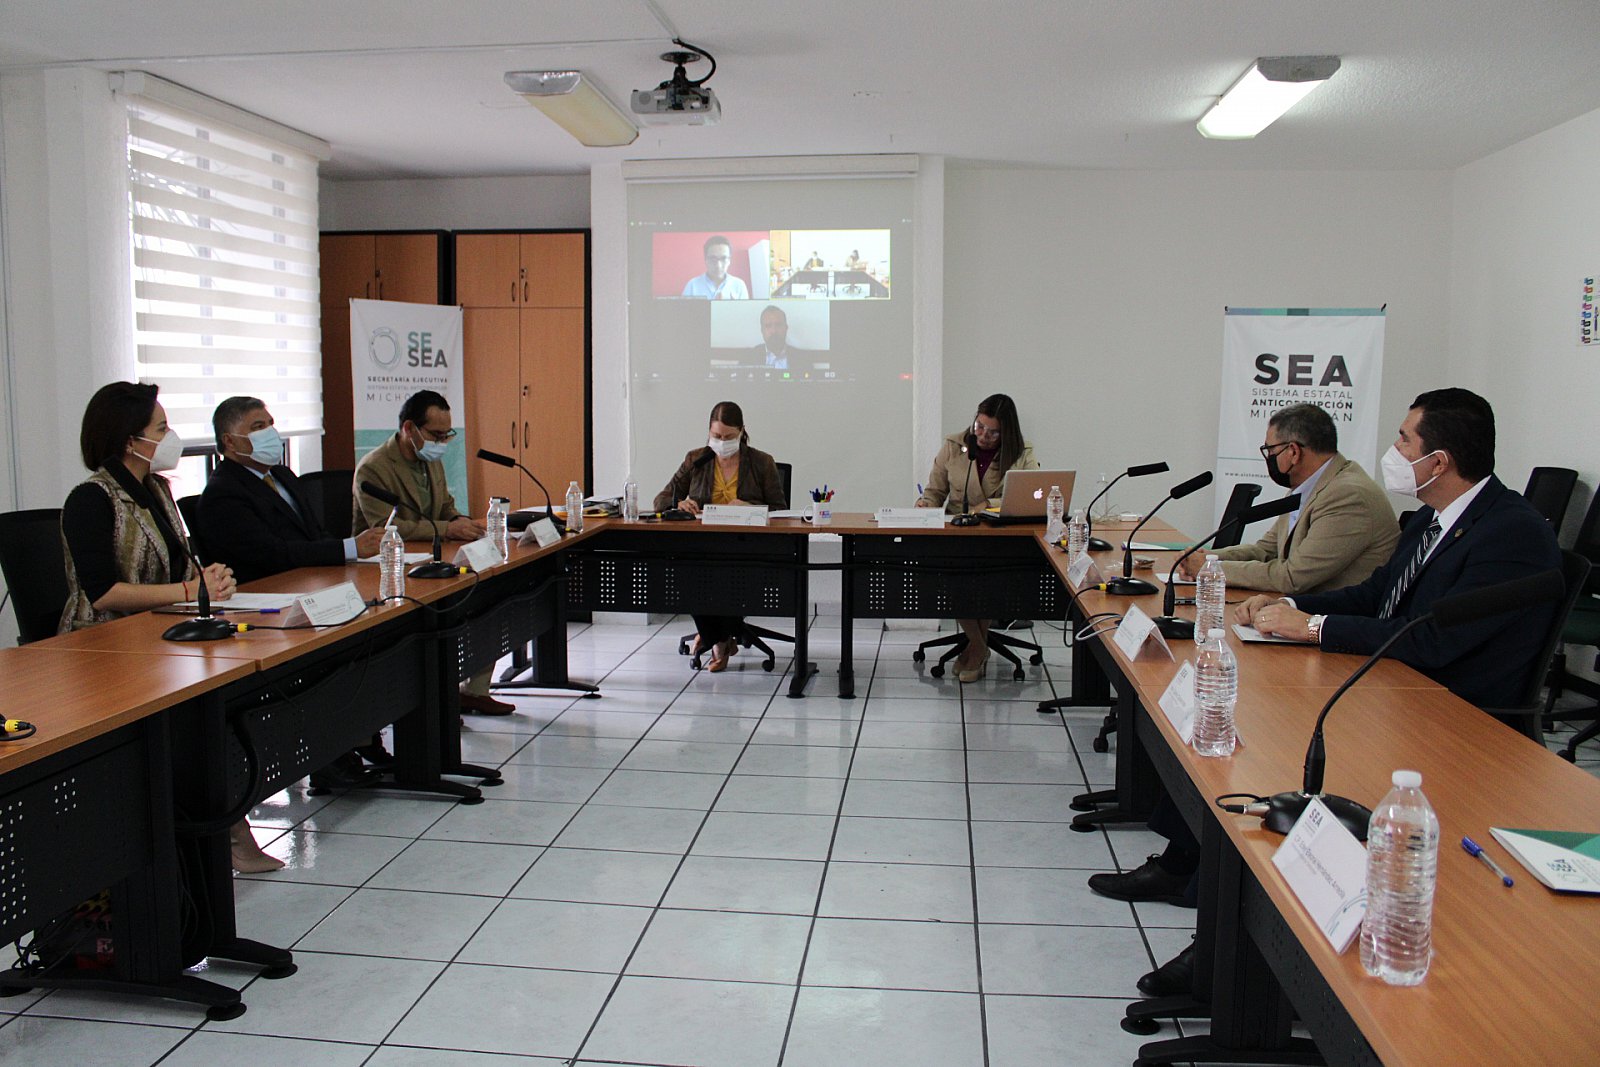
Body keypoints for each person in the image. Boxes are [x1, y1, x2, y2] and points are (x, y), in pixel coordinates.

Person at [1093, 387, 1564, 998]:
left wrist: (1313, 628)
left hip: (1452, 719)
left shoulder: (1510, 532)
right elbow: (1375, 597)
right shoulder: (1432, 518)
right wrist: (1289, 606)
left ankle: (1229, 959)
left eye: (1404, 439)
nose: (1393, 450)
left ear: (1440, 461)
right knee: (1252, 738)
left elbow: (1432, 641)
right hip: (1394, 687)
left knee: (1281, 755)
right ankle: (1187, 867)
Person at [58, 383, 278, 874]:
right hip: (104, 651)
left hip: (160, 637)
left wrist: (208, 581)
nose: (170, 436)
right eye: (161, 429)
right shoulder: (91, 498)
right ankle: (222, 834)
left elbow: (179, 568)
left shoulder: (157, 490)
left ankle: (222, 827)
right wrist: (187, 590)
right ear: (129, 439)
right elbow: (103, 593)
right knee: (195, 722)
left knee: (219, 707)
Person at [198, 396, 387, 791]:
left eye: (270, 422)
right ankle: (329, 756)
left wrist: (348, 555)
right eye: (257, 427)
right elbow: (271, 555)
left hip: (308, 590)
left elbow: (313, 536)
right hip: (265, 609)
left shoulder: (281, 475)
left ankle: (361, 737)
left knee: (373, 635)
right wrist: (349, 548)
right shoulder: (223, 493)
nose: (270, 432)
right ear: (229, 442)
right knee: (332, 658)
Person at [352, 390, 511, 716]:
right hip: (386, 570)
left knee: (489, 596)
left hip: (431, 561)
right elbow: (386, 528)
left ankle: (474, 691)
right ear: (409, 428)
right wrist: (446, 529)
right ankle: (431, 704)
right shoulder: (374, 468)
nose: (442, 442)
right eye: (436, 434)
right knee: (430, 625)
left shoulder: (431, 460)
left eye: (446, 434)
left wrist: (462, 523)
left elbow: (445, 508)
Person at [1177, 402, 1397, 592]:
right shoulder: (1311, 486)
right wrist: (1210, 558)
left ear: (1293, 452)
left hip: (1336, 620)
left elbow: (1293, 577)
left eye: (1270, 451)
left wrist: (1210, 569)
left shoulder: (1348, 496)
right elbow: (1266, 550)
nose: (1269, 458)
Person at [653, 401, 786, 672]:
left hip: (747, 546)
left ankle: (715, 639)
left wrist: (750, 507)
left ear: (742, 432)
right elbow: (661, 499)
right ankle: (719, 637)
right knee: (686, 571)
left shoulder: (761, 462)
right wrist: (678, 503)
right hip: (703, 542)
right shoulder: (696, 459)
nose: (722, 442)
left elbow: (781, 509)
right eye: (716, 436)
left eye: (728, 437)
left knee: (725, 574)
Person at [916, 393, 1039, 681]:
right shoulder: (954, 445)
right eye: (979, 426)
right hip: (958, 534)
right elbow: (935, 491)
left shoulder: (1022, 452)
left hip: (1001, 537)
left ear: (1007, 432)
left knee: (988, 580)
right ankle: (979, 646)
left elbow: (1029, 494)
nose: (983, 436)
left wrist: (988, 505)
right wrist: (924, 506)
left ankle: (975, 650)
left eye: (993, 432)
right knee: (955, 580)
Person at [681, 235, 749, 299]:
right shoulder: (692, 285)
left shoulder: (739, 285)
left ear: (729, 260)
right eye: (713, 259)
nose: (718, 265)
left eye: (723, 258)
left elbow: (746, 308)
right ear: (705, 260)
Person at [752, 305, 806, 370]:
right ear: (762, 331)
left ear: (786, 328)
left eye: (778, 325)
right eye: (768, 326)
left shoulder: (802, 358)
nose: (774, 331)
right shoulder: (750, 357)